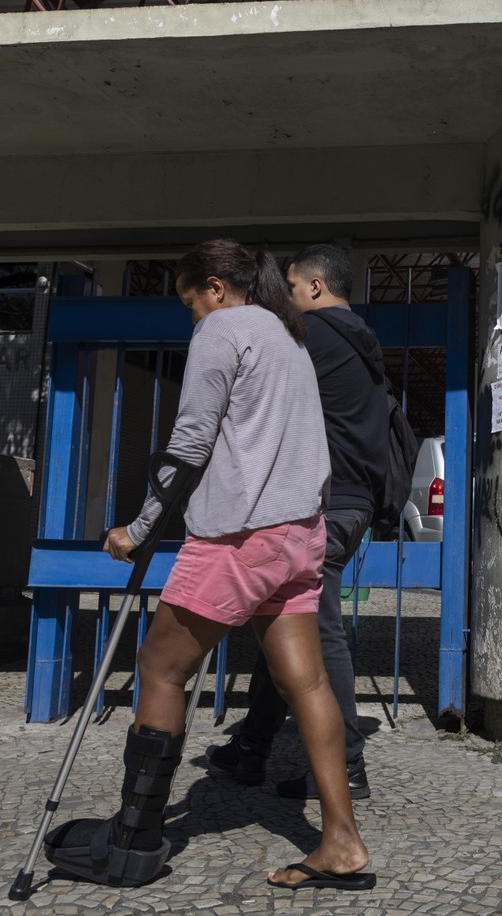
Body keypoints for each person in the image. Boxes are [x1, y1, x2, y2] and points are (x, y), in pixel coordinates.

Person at [42, 239, 372, 892]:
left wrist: (135, 531)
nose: (192, 314)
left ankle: (133, 842)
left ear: (216, 287)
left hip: (239, 537)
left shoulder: (225, 329)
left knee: (161, 667)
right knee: (307, 685)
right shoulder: (290, 337)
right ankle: (341, 840)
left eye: (192, 300)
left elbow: (190, 440)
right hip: (299, 533)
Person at [206, 244, 389, 800]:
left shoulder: (314, 336)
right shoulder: (360, 341)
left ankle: (347, 765)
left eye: (288, 287)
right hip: (355, 504)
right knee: (283, 620)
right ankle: (251, 748)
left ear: (312, 288)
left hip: (323, 505)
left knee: (318, 629)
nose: (284, 298)